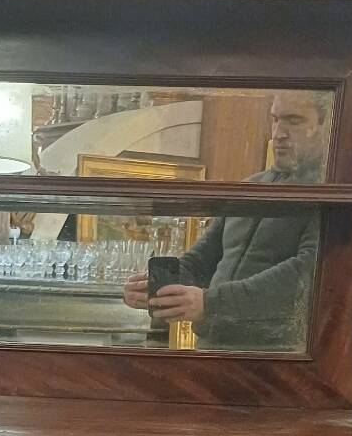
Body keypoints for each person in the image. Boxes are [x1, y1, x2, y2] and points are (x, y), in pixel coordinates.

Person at [122, 92, 329, 349]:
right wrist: (157, 287)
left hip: (275, 359)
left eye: (293, 121)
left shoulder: (329, 193)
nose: (279, 133)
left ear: (326, 126)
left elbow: (306, 274)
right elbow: (201, 260)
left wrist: (210, 303)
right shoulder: (250, 187)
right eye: (275, 120)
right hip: (212, 350)